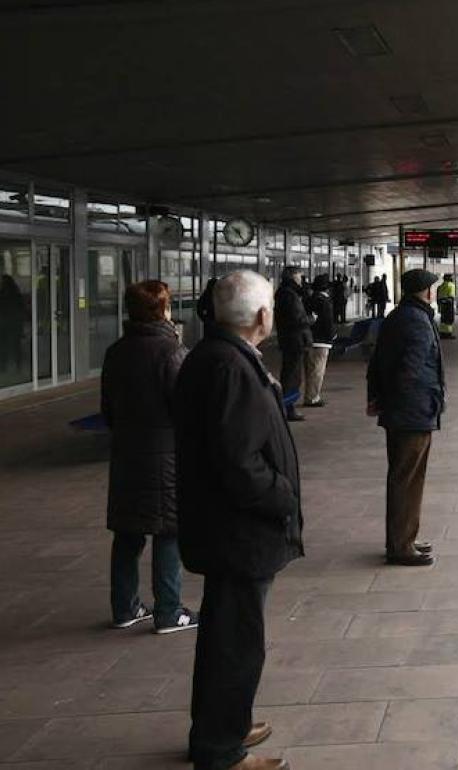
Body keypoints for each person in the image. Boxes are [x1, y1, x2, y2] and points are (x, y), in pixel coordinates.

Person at [175, 270, 303, 770]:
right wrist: (282, 496)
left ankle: (225, 723)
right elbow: (238, 462)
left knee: (227, 636)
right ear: (264, 317)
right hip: (239, 531)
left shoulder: (217, 358)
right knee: (235, 643)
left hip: (226, 528)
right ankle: (220, 750)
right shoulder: (229, 366)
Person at [101, 280, 197, 634]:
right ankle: (169, 611)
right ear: (163, 310)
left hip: (126, 455)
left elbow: (107, 410)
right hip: (166, 458)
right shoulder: (171, 351)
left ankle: (124, 608)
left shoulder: (116, 352)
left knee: (127, 533)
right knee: (167, 530)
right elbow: (186, 407)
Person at [367, 269, 444, 567]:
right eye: (432, 288)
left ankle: (405, 538)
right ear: (424, 291)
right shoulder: (418, 321)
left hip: (403, 411)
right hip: (413, 412)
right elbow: (411, 370)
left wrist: (376, 398)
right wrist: (401, 403)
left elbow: (376, 362)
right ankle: (401, 546)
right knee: (408, 478)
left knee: (405, 476)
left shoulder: (398, 316)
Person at [274, 267, 312, 422]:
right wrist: (310, 320)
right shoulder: (289, 295)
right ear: (292, 276)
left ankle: (287, 406)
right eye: (299, 275)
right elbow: (296, 318)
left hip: (290, 339)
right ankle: (288, 408)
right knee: (292, 376)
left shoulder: (286, 292)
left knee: (291, 373)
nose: (301, 278)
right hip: (294, 340)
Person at [303, 274, 335, 408]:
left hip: (308, 338)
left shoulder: (308, 299)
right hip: (322, 341)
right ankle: (313, 397)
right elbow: (328, 321)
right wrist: (333, 335)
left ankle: (309, 395)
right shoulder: (325, 301)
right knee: (318, 370)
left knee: (310, 369)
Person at [435, 273, 457, 340]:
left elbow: (438, 296)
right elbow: (451, 296)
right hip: (449, 304)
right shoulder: (451, 285)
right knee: (449, 319)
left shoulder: (440, 286)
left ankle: (442, 333)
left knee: (443, 319)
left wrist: (439, 306)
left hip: (442, 304)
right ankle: (448, 334)